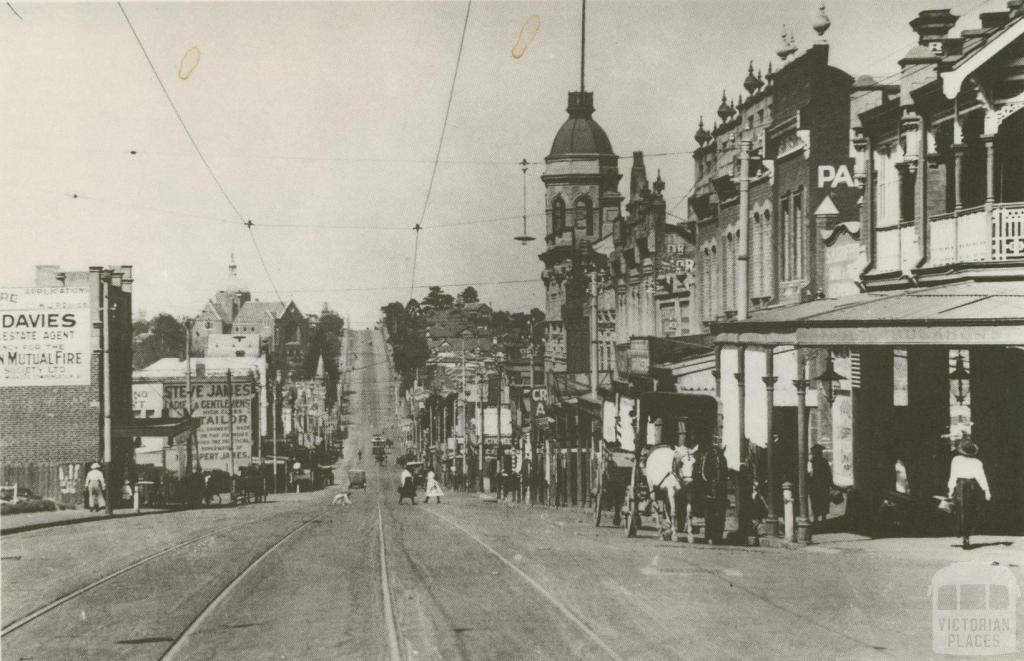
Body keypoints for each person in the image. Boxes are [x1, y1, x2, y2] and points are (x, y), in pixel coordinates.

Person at [947, 438, 991, 549]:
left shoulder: (956, 460)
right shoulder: (977, 462)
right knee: (969, 510)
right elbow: (981, 477)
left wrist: (950, 489)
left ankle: (962, 532)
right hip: (972, 486)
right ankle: (965, 535)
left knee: (960, 509)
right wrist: (986, 490)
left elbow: (953, 475)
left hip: (961, 486)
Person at [809, 445, 833, 522]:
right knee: (823, 502)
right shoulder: (824, 462)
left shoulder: (811, 462)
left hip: (814, 486)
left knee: (815, 502)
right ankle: (823, 518)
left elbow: (809, 475)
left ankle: (816, 519)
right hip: (822, 486)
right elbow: (829, 474)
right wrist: (831, 484)